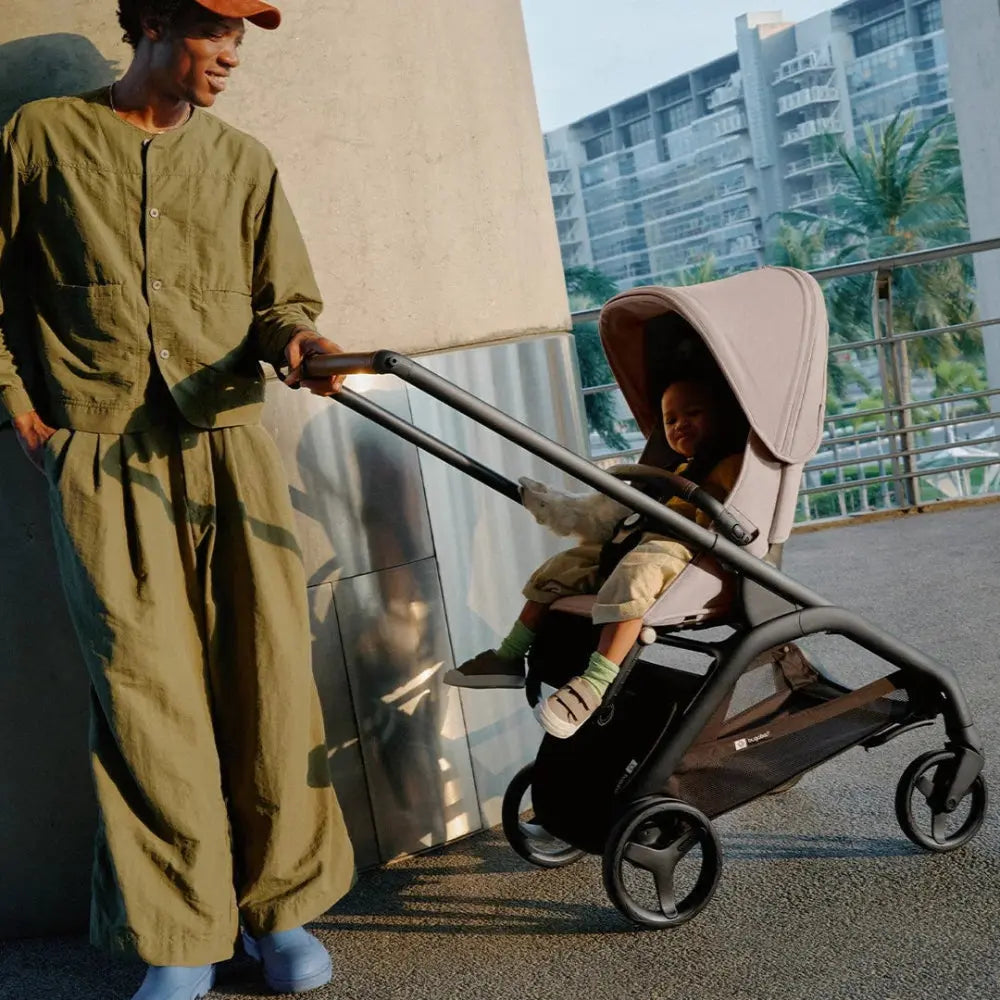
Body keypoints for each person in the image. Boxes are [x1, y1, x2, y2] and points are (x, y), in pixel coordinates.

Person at [0, 2, 357, 998]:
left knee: (269, 684)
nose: (231, 57)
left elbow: (283, 302)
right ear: (153, 22)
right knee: (144, 699)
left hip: (230, 450)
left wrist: (306, 346)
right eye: (217, 34)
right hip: (101, 453)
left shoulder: (244, 162)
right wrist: (21, 414)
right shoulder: (41, 138)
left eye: (242, 39)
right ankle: (183, 932)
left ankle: (278, 913)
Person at [445, 376, 748, 739]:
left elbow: (735, 518)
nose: (680, 424)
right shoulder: (677, 469)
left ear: (721, 418)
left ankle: (595, 684)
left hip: (690, 552)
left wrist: (712, 523)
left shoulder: (732, 466)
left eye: (693, 413)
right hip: (644, 540)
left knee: (635, 575)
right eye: (670, 420)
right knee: (562, 567)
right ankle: (510, 654)